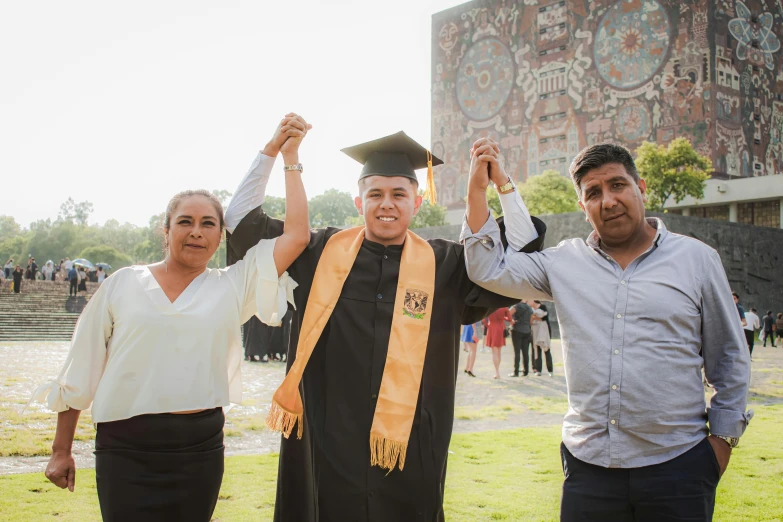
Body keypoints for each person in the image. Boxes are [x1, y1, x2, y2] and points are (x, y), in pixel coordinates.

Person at [225, 130, 543, 522]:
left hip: (412, 442)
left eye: (398, 194)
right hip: (327, 439)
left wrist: (498, 185)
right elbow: (240, 223)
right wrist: (272, 151)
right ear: (359, 202)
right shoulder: (316, 252)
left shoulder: (447, 266)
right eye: (375, 194)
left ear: (417, 202)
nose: (386, 204)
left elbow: (523, 256)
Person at [29, 114, 312, 522]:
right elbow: (82, 368)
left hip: (197, 449)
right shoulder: (122, 284)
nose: (196, 231)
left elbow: (297, 236)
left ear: (220, 236)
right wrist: (61, 449)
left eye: (208, 224)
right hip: (124, 448)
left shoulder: (235, 284)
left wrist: (284, 154)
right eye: (185, 222)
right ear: (166, 231)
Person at [462, 139, 752, 521]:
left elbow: (729, 356)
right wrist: (481, 189)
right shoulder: (563, 264)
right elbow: (489, 268)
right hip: (589, 470)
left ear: (640, 188)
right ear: (583, 208)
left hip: (679, 466)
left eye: (618, 185)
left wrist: (721, 444)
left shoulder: (697, 260)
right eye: (593, 193)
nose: (608, 200)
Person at [483, 307, 513, 379]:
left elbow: (483, 319)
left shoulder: (489, 307)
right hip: (500, 327)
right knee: (499, 351)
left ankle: (497, 372)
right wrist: (503, 318)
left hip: (492, 328)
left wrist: (488, 326)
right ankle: (497, 371)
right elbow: (510, 319)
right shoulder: (504, 307)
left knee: (494, 352)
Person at [509, 300, 533, 377]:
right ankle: (526, 371)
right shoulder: (529, 308)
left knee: (517, 352)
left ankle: (516, 372)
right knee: (525, 352)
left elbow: (508, 314)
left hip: (517, 330)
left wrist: (512, 321)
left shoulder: (516, 306)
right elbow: (531, 321)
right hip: (527, 331)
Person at [530, 300, 553, 377]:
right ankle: (538, 369)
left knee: (546, 349)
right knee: (537, 350)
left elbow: (544, 318)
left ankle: (550, 370)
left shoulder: (543, 307)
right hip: (535, 330)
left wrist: (535, 317)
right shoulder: (530, 309)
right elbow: (530, 320)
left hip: (543, 330)